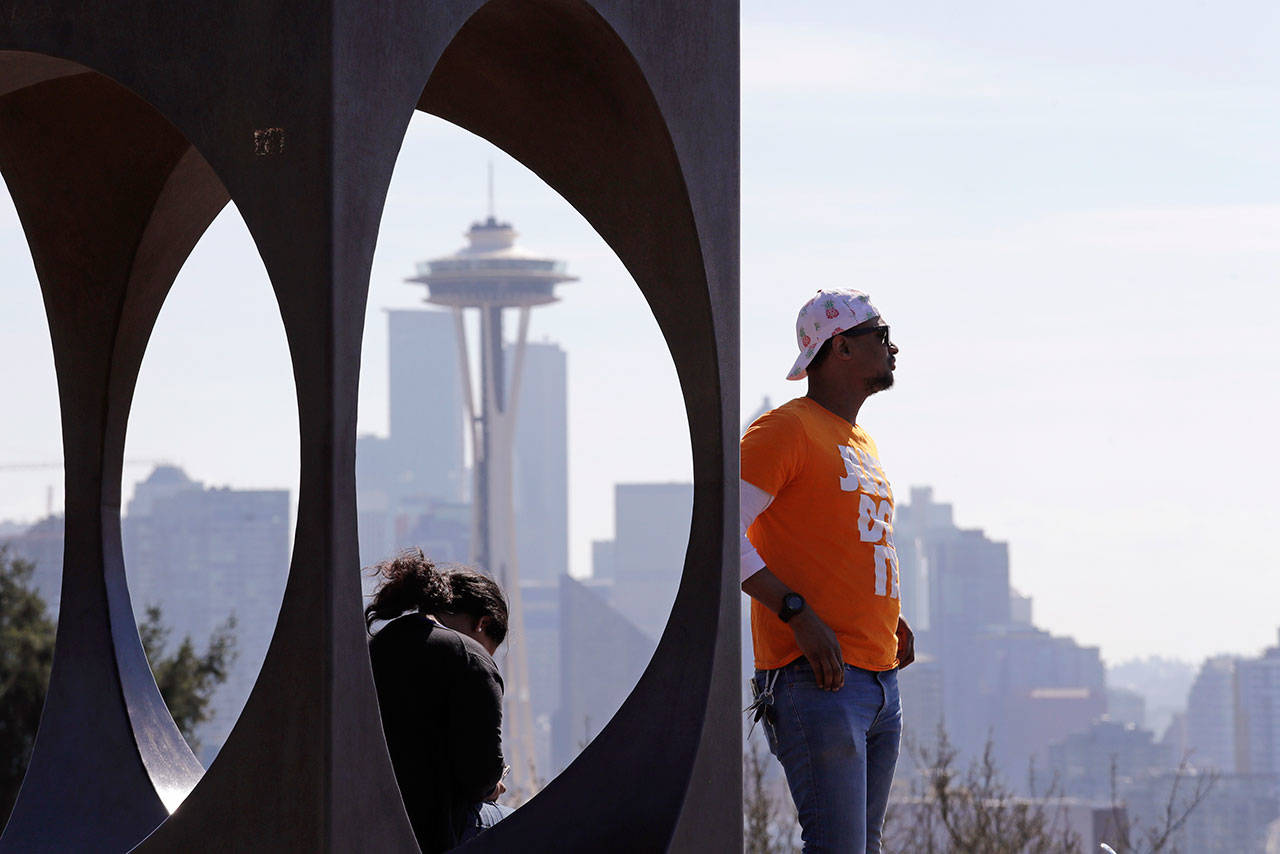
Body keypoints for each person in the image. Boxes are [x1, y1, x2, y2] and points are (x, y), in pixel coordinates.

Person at [740, 288, 915, 854]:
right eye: (881, 336)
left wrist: (892, 618)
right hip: (815, 677)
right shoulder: (783, 431)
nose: (895, 348)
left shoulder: (858, 440)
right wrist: (796, 613)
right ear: (840, 346)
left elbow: (844, 543)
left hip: (877, 677)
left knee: (861, 848)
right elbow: (721, 536)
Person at [366, 549, 513, 853]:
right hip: (437, 831)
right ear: (482, 624)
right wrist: (492, 785)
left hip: (365, 823)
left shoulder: (374, 648)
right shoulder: (469, 658)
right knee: (533, 824)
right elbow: (479, 775)